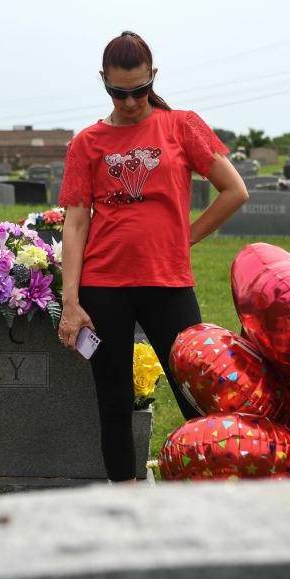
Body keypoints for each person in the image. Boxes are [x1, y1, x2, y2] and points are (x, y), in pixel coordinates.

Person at [57, 31, 249, 483]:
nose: (129, 102)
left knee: (197, 396)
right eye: (117, 92)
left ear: (154, 77)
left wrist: (185, 238)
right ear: (103, 80)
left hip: (169, 284)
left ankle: (215, 488)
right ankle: (126, 499)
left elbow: (234, 190)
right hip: (103, 287)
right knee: (114, 399)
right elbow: (76, 222)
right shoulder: (87, 142)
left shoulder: (181, 125)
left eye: (139, 90)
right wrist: (70, 300)